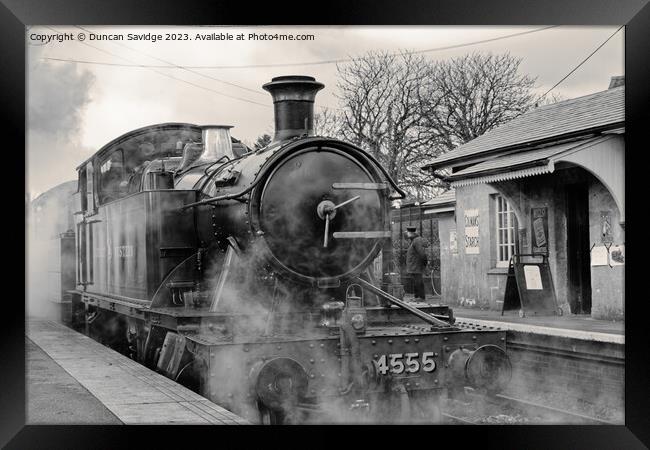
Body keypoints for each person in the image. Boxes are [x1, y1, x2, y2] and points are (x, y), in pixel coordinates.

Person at [405, 226, 428, 301]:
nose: (407, 234)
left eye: (407, 233)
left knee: (418, 281)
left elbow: (422, 253)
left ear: (411, 233)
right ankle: (417, 297)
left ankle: (421, 297)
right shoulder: (414, 240)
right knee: (416, 281)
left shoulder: (416, 241)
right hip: (415, 266)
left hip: (416, 266)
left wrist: (424, 264)